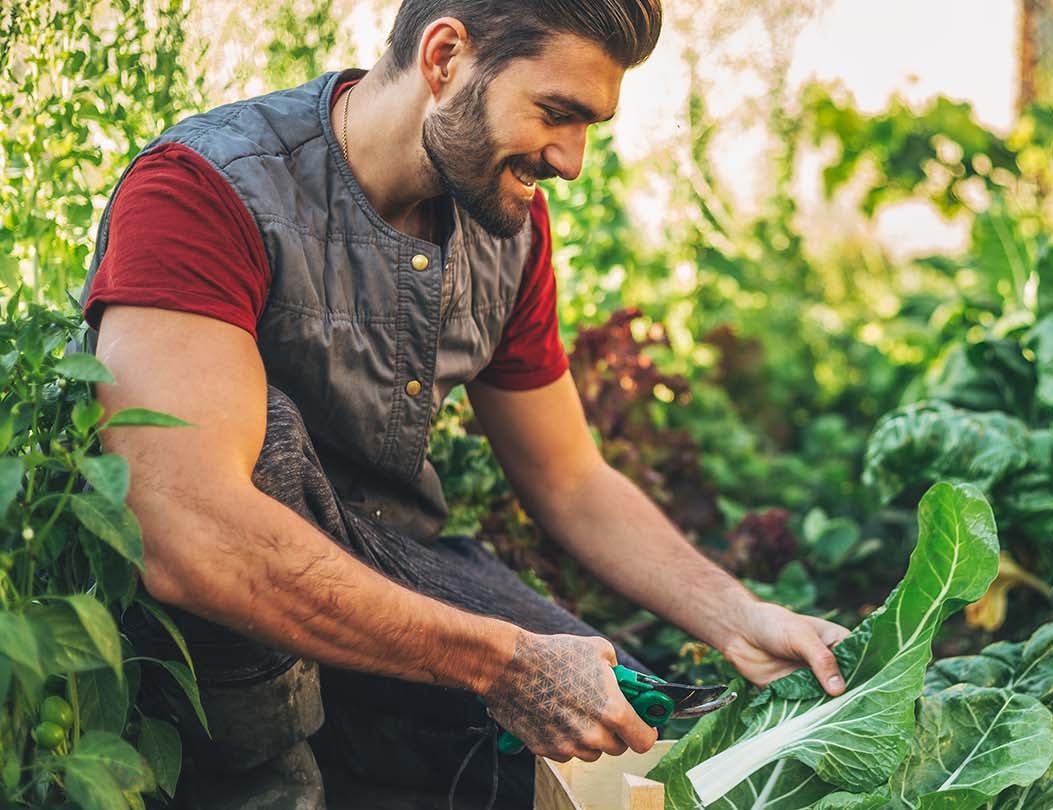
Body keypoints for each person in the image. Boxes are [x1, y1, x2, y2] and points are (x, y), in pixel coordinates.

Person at [79, 0, 849, 805]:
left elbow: (569, 479)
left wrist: (735, 616)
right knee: (264, 442)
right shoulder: (204, 192)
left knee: (623, 726)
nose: (573, 159)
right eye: (557, 113)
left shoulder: (506, 229)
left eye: (590, 125)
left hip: (400, 573)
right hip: (224, 642)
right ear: (445, 57)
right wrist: (500, 661)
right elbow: (187, 531)